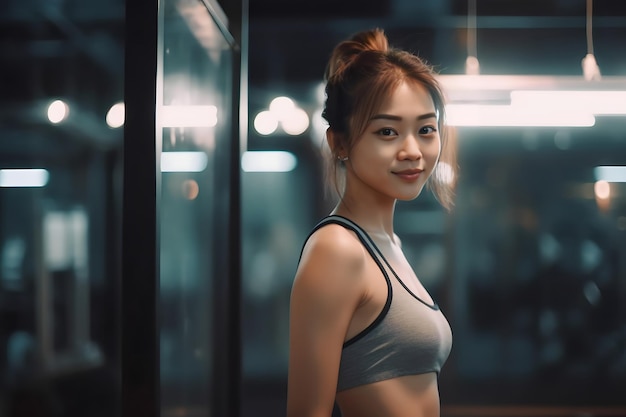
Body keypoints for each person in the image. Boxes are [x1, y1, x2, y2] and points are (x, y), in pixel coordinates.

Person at [287, 28, 455, 417]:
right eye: (387, 132)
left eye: (426, 129)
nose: (413, 151)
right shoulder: (337, 250)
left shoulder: (388, 244)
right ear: (339, 143)